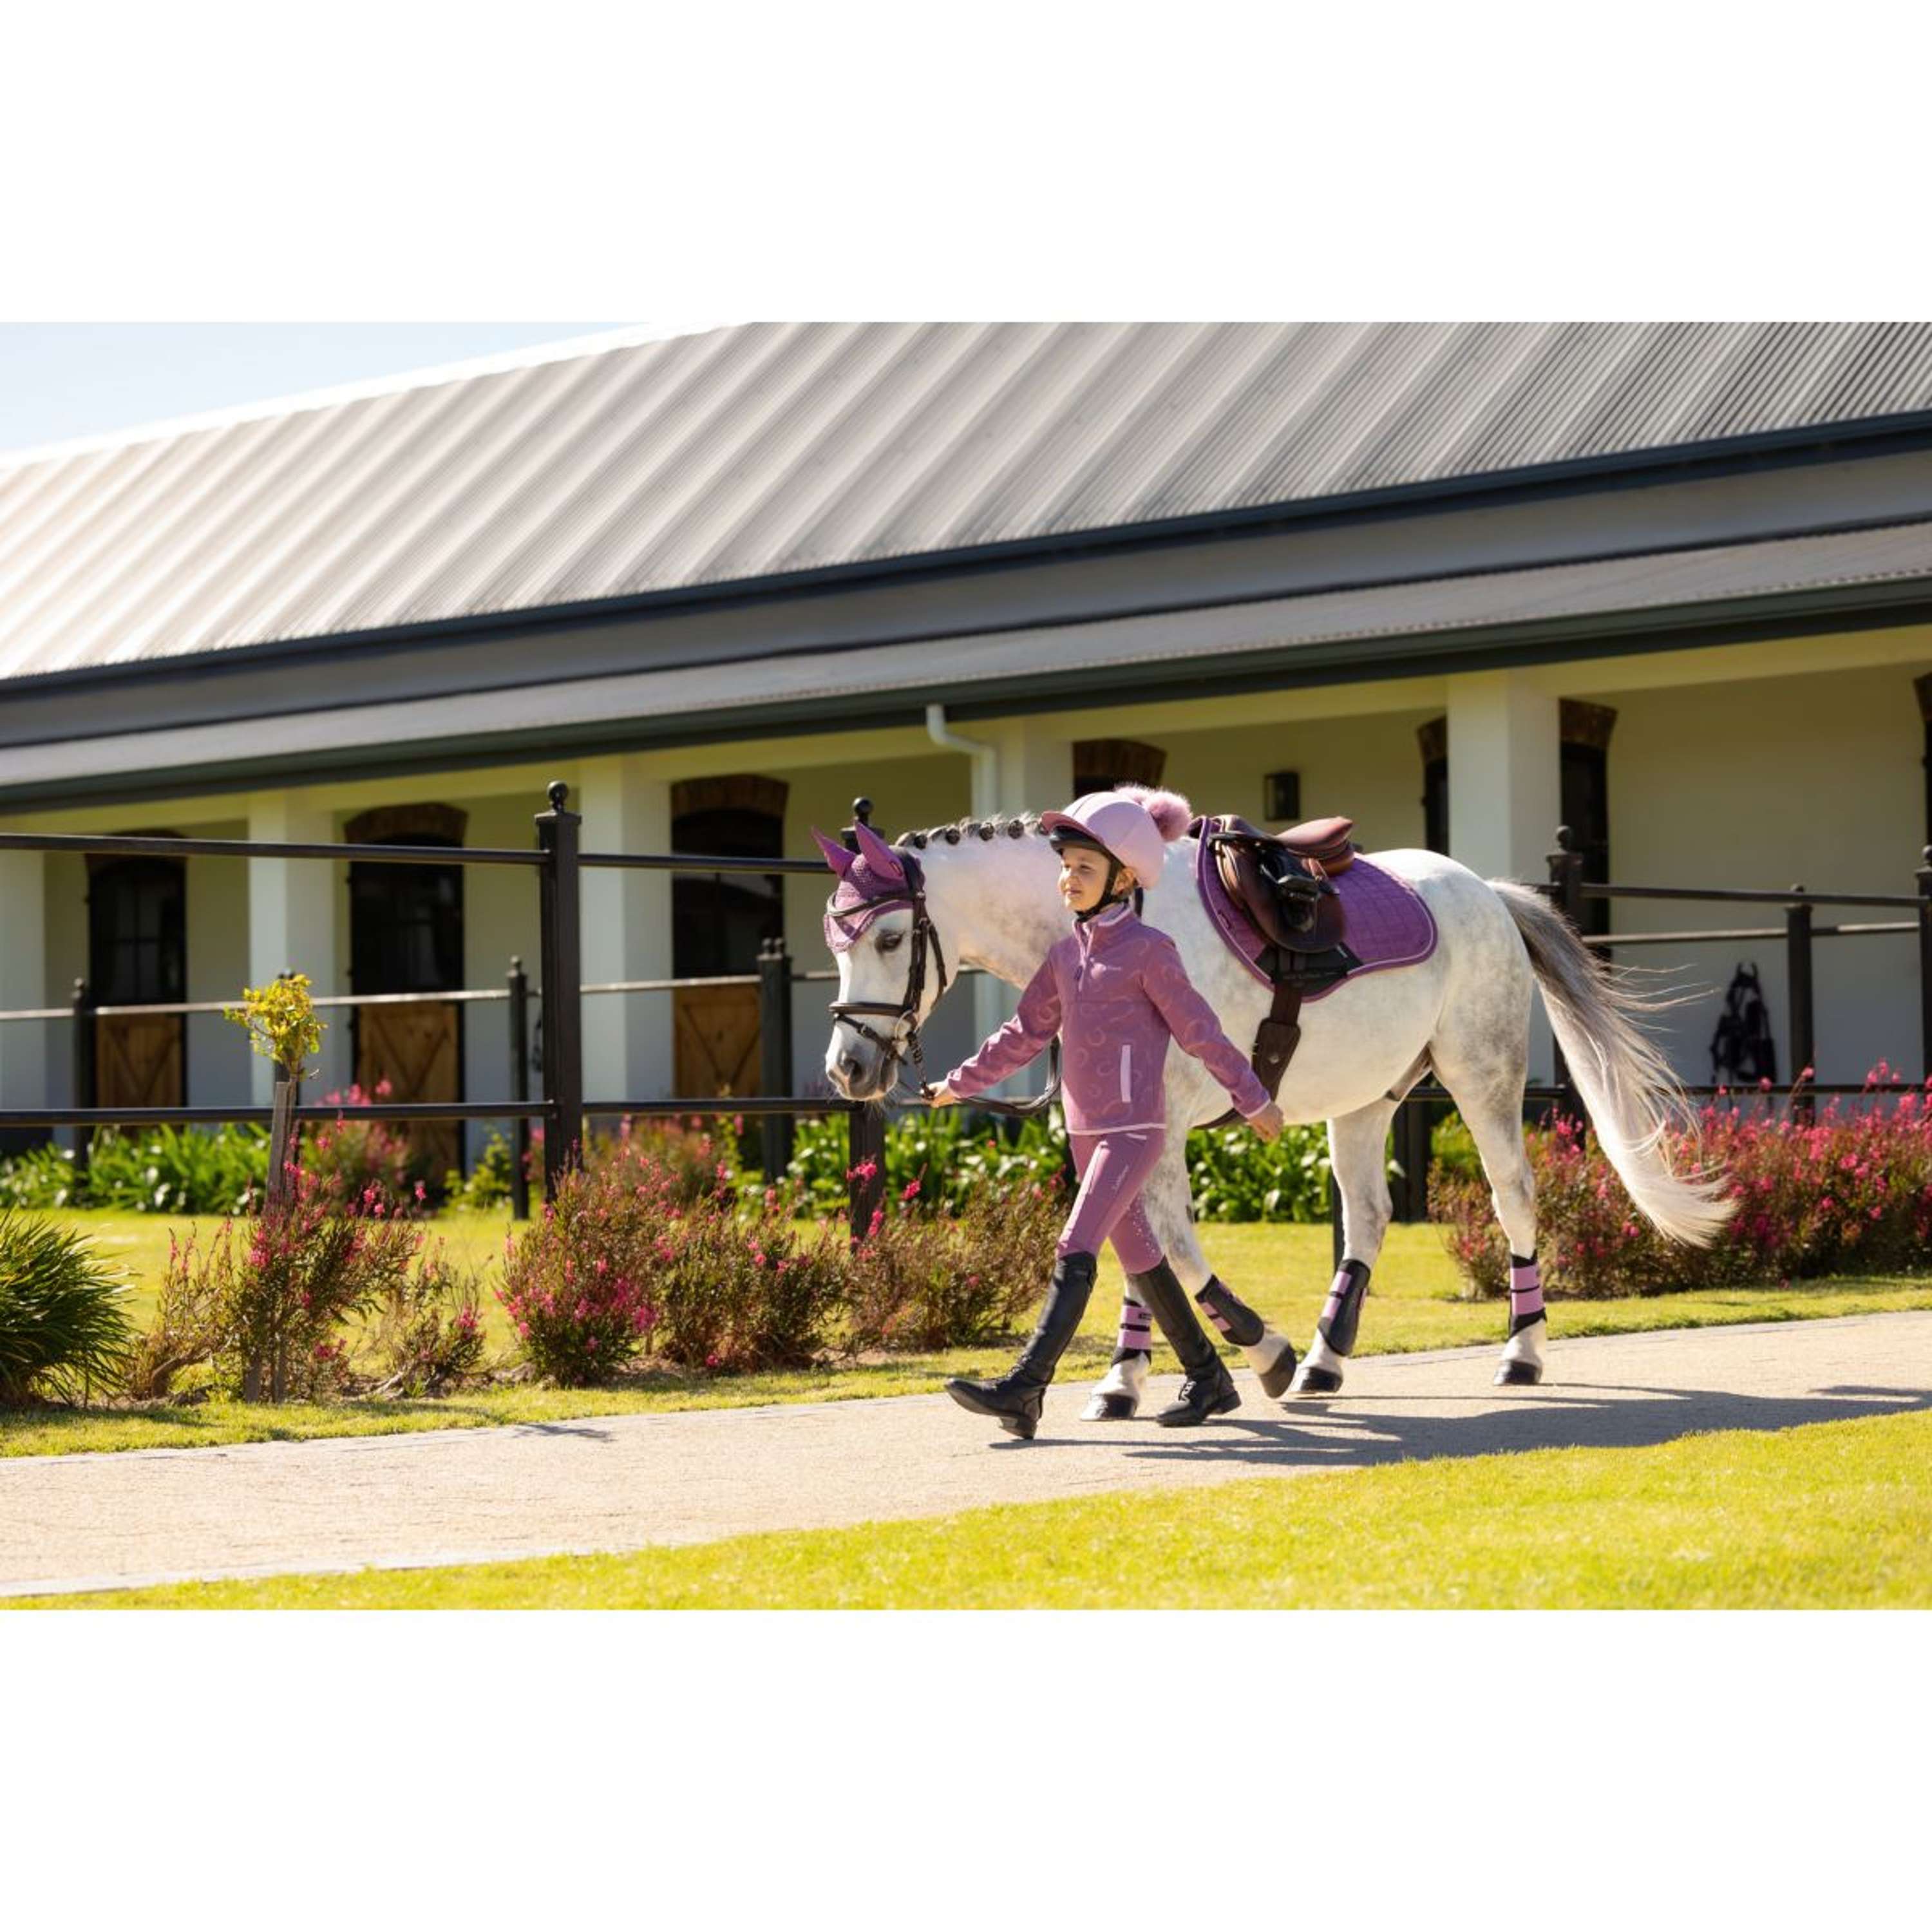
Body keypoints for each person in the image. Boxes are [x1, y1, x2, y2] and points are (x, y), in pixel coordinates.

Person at [931, 787, 1284, 1439]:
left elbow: (1201, 1031)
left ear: (1123, 879)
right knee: (1143, 1260)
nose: (1069, 879)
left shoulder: (1150, 951)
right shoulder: (1065, 956)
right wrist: (959, 1083)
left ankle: (1025, 1388)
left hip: (1132, 1132)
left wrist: (1253, 1097)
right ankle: (1209, 1378)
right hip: (1084, 1132)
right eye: (1066, 866)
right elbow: (1022, 1034)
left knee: (1075, 1246)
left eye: (1085, 868)